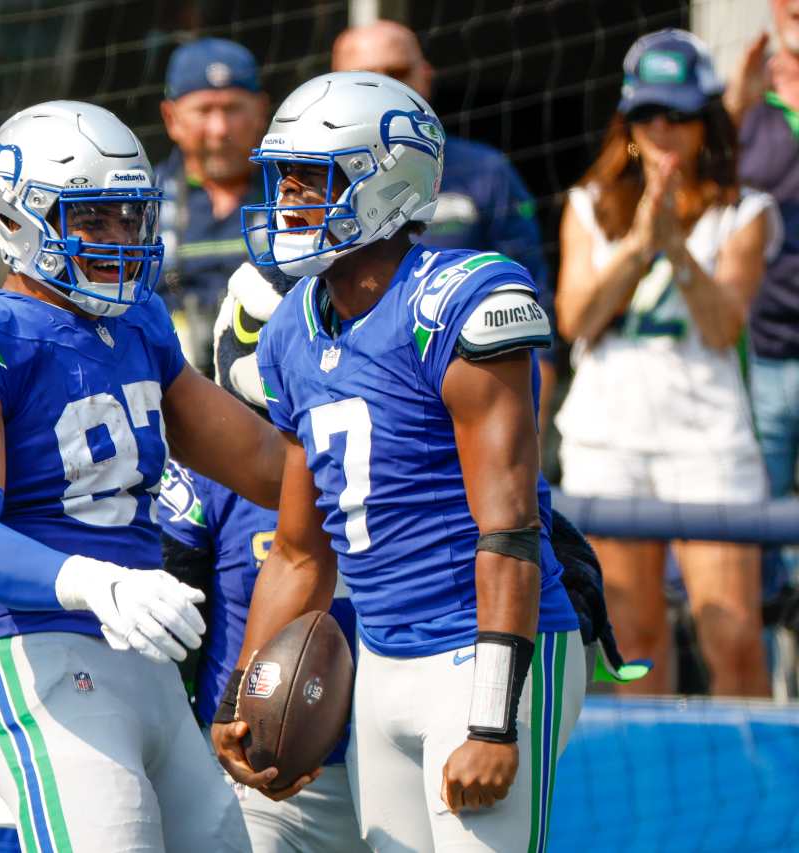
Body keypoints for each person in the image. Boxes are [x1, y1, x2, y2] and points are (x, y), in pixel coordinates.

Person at [211, 71, 585, 853]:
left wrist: (491, 718)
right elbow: (297, 551)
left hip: (484, 645)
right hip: (380, 656)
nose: (288, 202)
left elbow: (510, 527)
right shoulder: (288, 330)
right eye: (284, 179)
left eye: (312, 180)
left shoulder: (460, 300)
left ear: (385, 179)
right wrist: (237, 701)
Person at [0, 99, 286, 852]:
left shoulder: (139, 322)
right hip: (43, 653)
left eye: (127, 217)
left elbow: (269, 465)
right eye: (91, 220)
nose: (117, 241)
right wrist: (97, 582)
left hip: (147, 662)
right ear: (15, 220)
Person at [555, 29, 773, 697]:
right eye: (648, 114)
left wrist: (676, 249)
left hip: (707, 438)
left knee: (731, 632)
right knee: (633, 639)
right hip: (609, 436)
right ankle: (653, 801)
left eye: (678, 115)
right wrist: (637, 247)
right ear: (627, 123)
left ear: (704, 121)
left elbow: (722, 325)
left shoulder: (745, 212)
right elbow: (574, 320)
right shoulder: (589, 205)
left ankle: (762, 794)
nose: (662, 130)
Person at [159, 262, 363, 853]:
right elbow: (170, 637)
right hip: (257, 759)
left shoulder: (406, 437)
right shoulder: (208, 472)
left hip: (387, 748)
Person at [331, 21, 557, 429]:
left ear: (426, 77)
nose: (387, 89)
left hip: (468, 401)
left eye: (398, 73)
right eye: (367, 79)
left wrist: (530, 434)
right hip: (345, 402)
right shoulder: (310, 182)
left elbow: (535, 302)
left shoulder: (488, 173)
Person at [727, 3, 799, 611]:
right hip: (762, 351)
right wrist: (735, 107)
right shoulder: (740, 104)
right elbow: (699, 193)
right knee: (753, 549)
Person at [157, 38, 270, 374]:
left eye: (233, 108)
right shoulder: (141, 207)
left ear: (261, 110)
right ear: (171, 117)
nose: (219, 130)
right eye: (204, 110)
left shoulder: (299, 195)